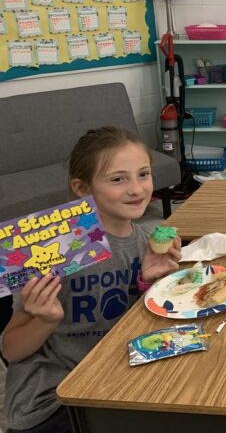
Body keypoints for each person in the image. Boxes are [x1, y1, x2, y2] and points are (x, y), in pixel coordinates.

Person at [2, 127, 181, 433]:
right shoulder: (56, 250)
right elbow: (10, 349)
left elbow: (140, 328)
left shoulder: (148, 241)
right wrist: (44, 320)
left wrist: (147, 283)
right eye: (118, 179)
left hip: (114, 378)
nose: (137, 189)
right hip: (53, 397)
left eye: (143, 174)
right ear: (82, 188)